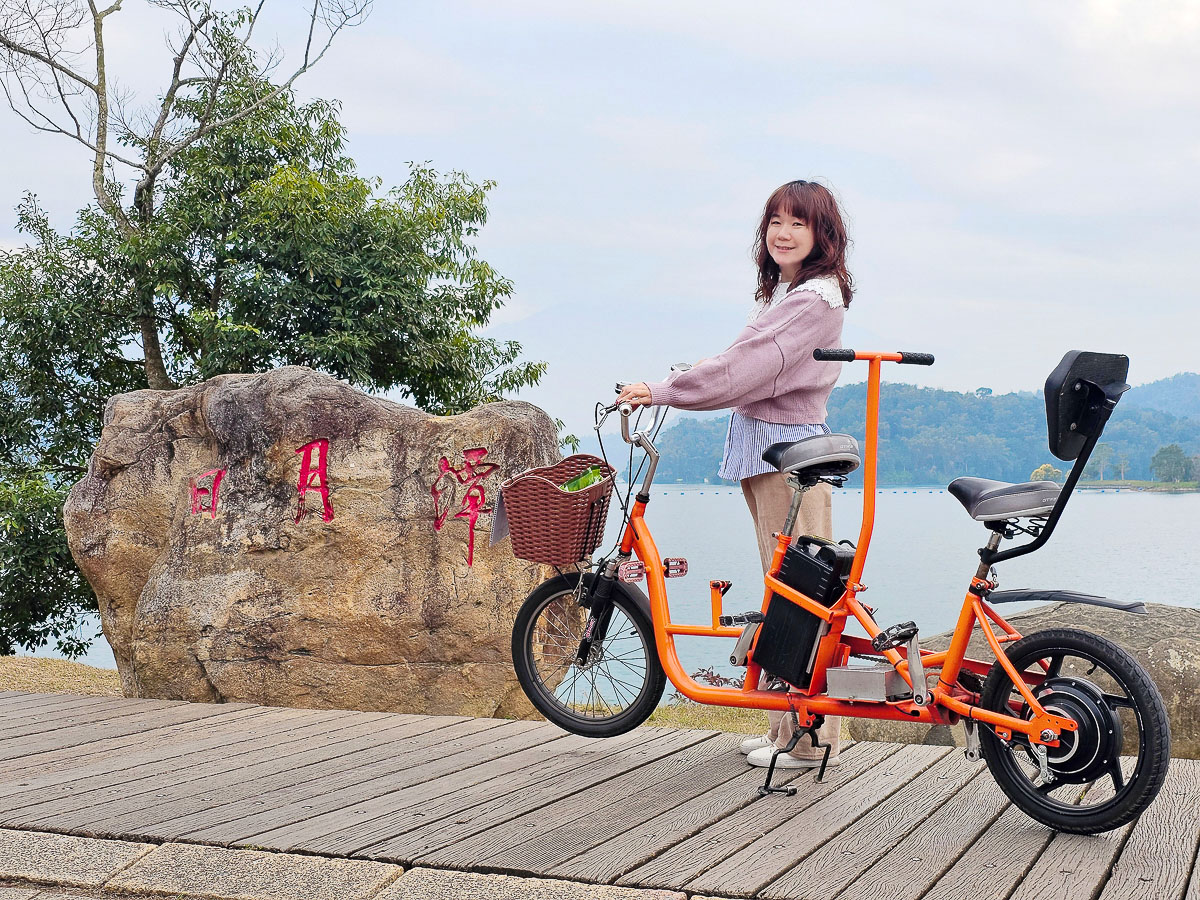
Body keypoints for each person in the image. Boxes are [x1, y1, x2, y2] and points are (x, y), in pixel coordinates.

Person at [616, 179, 852, 768]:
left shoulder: (813, 300)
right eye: (776, 221)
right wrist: (694, 374)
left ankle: (809, 740)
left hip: (790, 457)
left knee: (803, 592)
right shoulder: (786, 293)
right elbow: (743, 363)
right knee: (784, 587)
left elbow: (746, 368)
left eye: (798, 223)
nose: (783, 233)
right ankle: (784, 729)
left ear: (822, 234)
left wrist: (664, 390)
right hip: (774, 452)